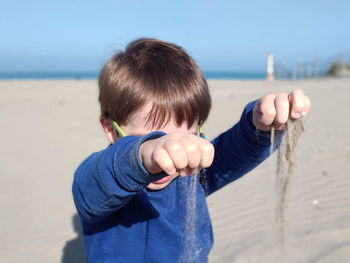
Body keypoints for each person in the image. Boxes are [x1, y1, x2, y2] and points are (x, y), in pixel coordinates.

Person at [72, 38, 311, 263]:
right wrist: (145, 154)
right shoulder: (104, 185)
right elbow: (93, 182)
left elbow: (232, 152)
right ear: (111, 131)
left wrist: (259, 124)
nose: (178, 153)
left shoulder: (190, 174)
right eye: (154, 136)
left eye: (188, 136)